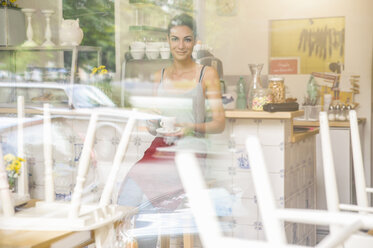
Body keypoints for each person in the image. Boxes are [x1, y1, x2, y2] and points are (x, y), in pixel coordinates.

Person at [118, 13, 225, 247]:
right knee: (125, 197)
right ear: (168, 40)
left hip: (191, 150)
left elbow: (219, 123)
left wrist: (189, 127)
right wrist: (152, 123)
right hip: (160, 149)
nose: (181, 45)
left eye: (187, 39)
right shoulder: (160, 75)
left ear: (195, 41)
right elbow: (155, 123)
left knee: (148, 209)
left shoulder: (206, 74)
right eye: (175, 39)